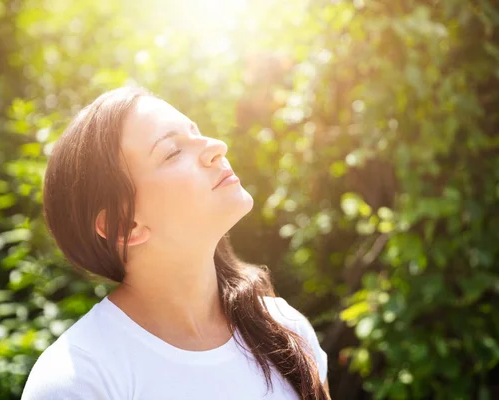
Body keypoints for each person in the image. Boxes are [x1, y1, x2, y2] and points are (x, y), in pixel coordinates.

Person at [21, 86, 330, 400]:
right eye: (172, 151)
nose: (217, 146)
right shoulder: (79, 381)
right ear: (125, 225)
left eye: (196, 132)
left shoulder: (284, 327)